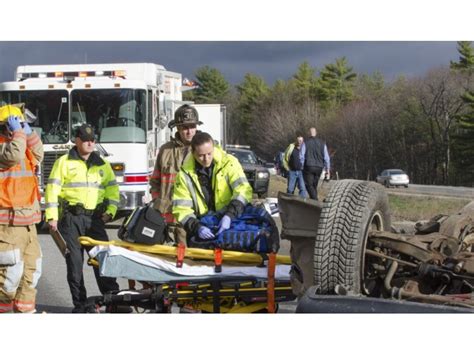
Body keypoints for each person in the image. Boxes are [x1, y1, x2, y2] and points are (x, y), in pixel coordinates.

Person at [45, 124, 122, 313]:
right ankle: (80, 305)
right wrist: (52, 217)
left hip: (95, 219)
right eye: (86, 139)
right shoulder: (63, 162)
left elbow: (112, 189)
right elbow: (52, 190)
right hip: (71, 219)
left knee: (104, 261)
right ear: (76, 140)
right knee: (74, 265)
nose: (90, 143)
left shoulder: (102, 163)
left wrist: (110, 211)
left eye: (93, 139)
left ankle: (113, 300)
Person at [0, 105, 43, 313]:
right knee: (8, 279)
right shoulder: (4, 148)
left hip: (28, 224)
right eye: (14, 124)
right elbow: (13, 155)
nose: (17, 129)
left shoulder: (21, 143)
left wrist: (29, 132)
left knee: (31, 275)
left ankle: (25, 314)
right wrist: (18, 133)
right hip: (7, 225)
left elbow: (39, 154)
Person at [172, 132, 253, 240]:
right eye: (201, 155)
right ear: (193, 152)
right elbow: (181, 209)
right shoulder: (184, 175)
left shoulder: (229, 163)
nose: (206, 159)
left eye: (209, 153)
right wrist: (197, 227)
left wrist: (229, 215)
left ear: (214, 148)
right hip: (202, 226)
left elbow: (243, 190)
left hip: (232, 221)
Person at [149, 104, 203, 245]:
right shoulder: (165, 150)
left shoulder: (205, 149)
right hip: (167, 220)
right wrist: (157, 201)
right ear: (177, 128)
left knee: (191, 261)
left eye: (192, 126)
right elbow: (155, 181)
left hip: (194, 219)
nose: (189, 131)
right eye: (185, 127)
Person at [303, 127, 330, 201]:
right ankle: (313, 202)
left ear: (309, 133)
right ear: (316, 133)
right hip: (319, 167)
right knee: (314, 185)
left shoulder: (306, 143)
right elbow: (326, 158)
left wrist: (301, 166)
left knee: (309, 185)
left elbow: (301, 156)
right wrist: (327, 170)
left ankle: (315, 200)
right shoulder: (322, 143)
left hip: (309, 166)